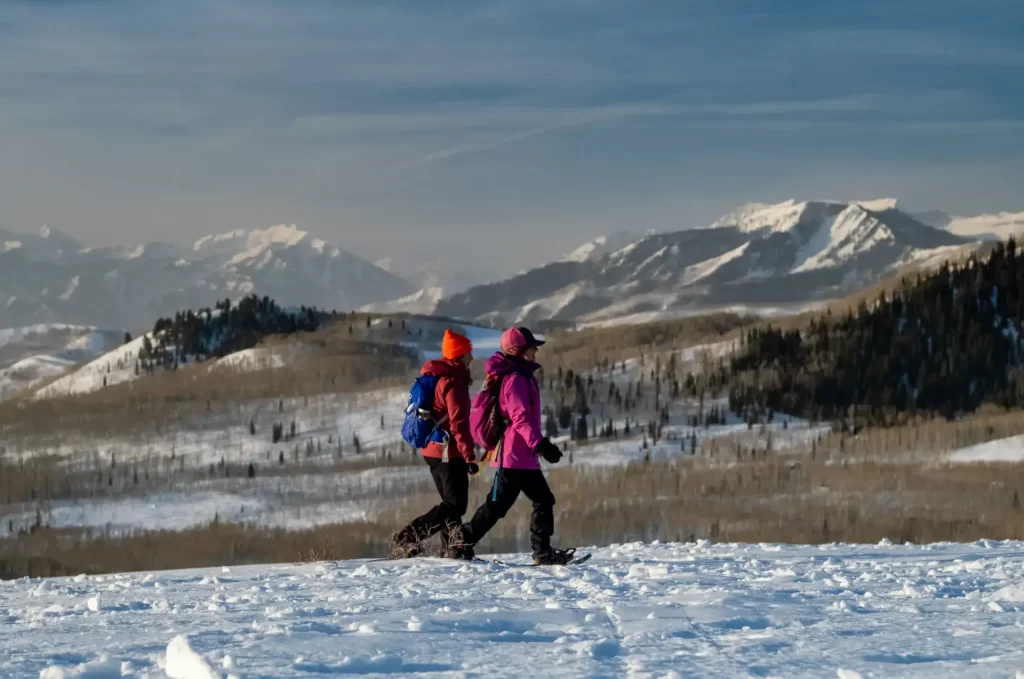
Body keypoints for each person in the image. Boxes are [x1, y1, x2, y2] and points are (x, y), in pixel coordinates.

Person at [458, 327, 572, 565]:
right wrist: (540, 444)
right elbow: (519, 418)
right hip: (512, 456)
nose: (535, 351)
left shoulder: (521, 375)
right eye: (531, 348)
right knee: (497, 505)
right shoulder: (515, 380)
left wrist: (536, 447)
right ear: (517, 350)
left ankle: (542, 551)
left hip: (523, 456)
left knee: (543, 500)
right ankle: (461, 542)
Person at [392, 329, 478, 557]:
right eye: (469, 352)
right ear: (459, 355)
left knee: (450, 504)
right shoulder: (453, 383)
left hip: (433, 450)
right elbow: (459, 425)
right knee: (455, 505)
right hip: (448, 452)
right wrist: (469, 456)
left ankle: (454, 549)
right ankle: (409, 536)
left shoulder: (439, 375)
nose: (472, 357)